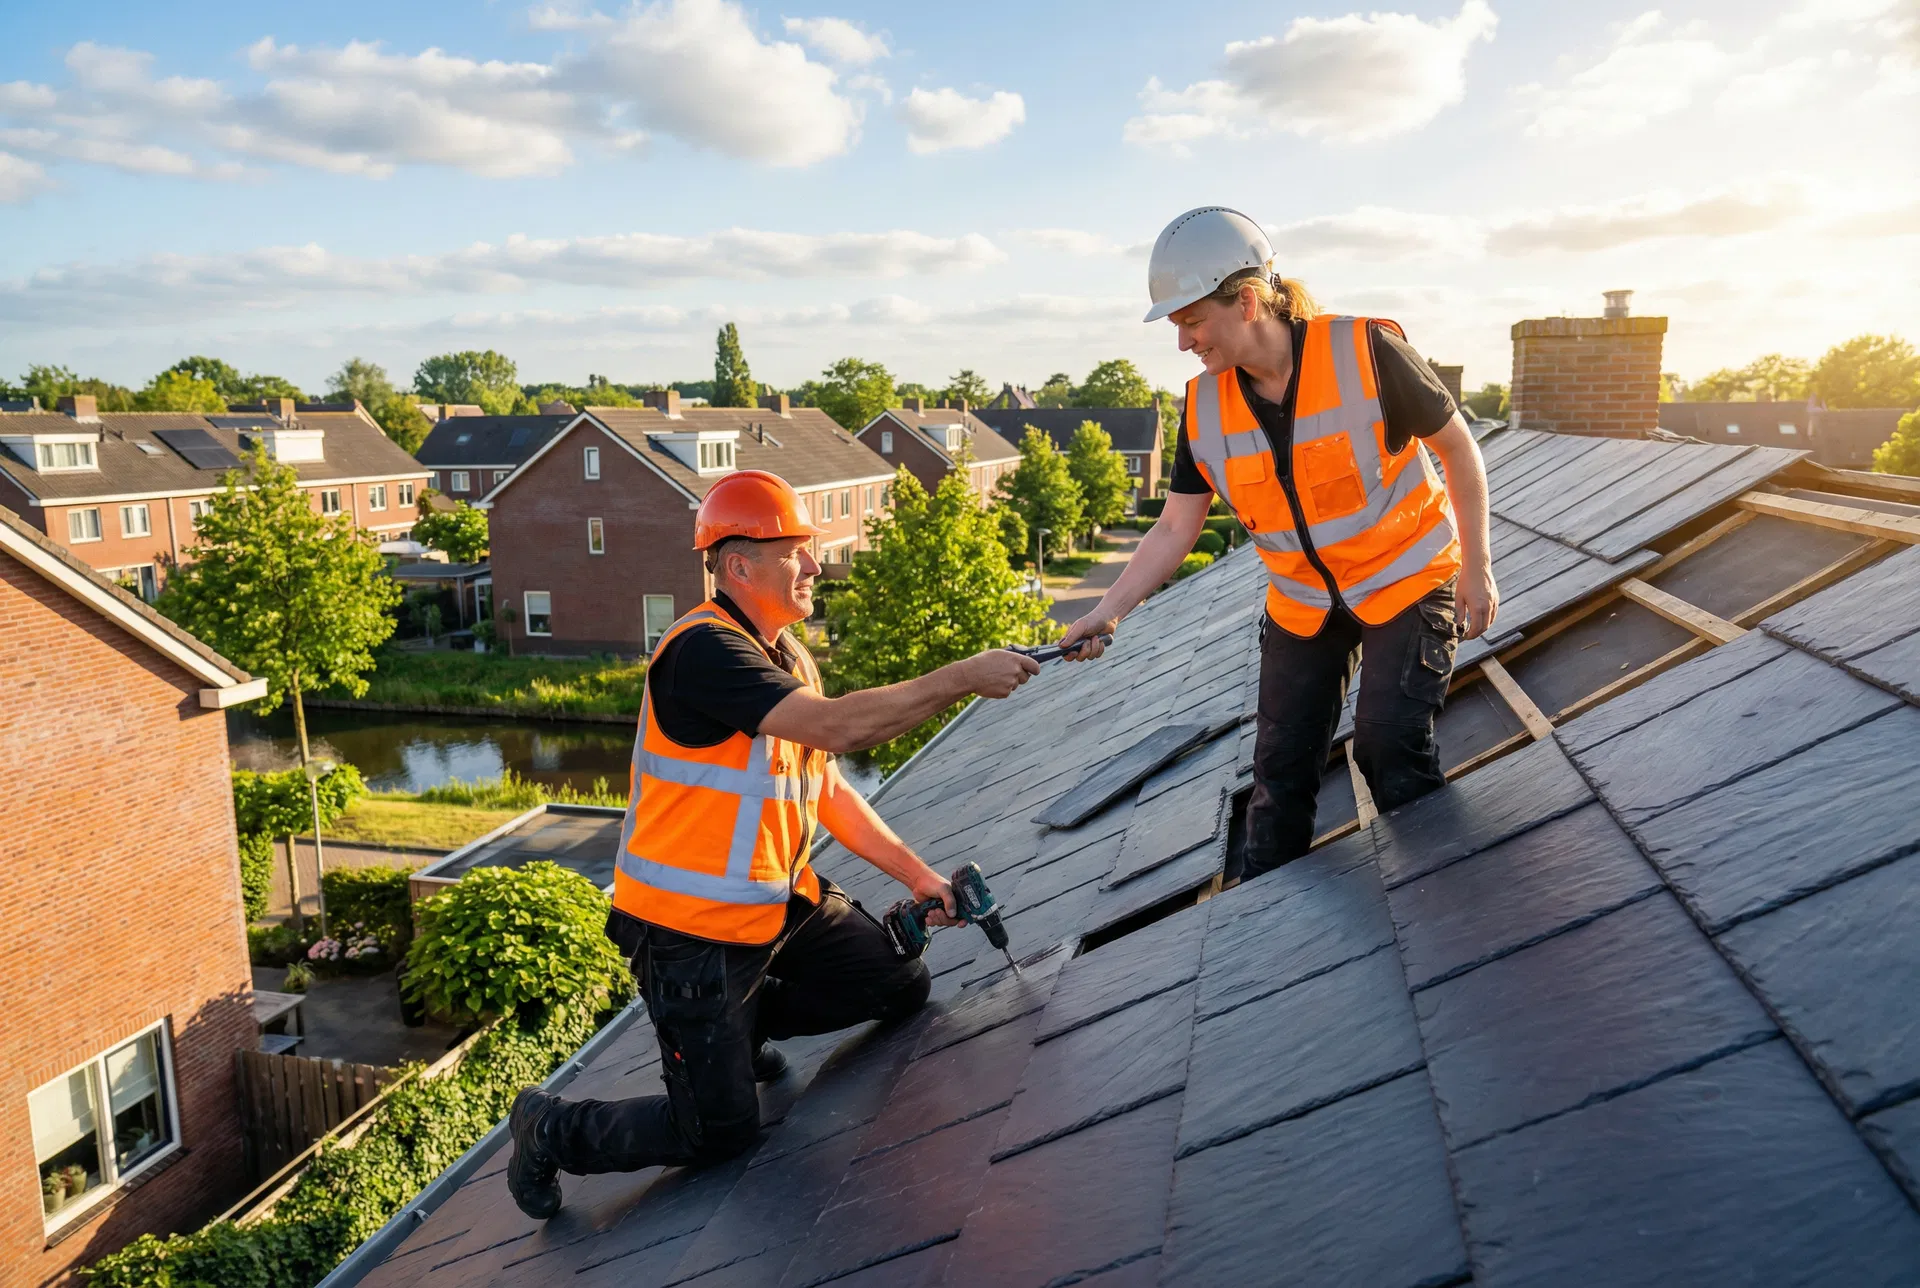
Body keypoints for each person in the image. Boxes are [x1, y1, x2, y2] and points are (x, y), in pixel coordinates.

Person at [506, 469, 1042, 1218]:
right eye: (798, 552)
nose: (817, 566)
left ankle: (739, 1021)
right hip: (687, 933)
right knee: (719, 1131)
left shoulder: (785, 655)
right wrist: (962, 676)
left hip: (774, 908)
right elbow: (841, 728)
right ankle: (550, 1128)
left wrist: (920, 878)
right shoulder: (703, 652)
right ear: (738, 567)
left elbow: (825, 788)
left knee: (899, 983)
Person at [1061, 206, 1500, 878]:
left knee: (1387, 745)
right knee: (1277, 779)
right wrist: (1106, 610)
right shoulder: (1204, 408)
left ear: (1244, 301)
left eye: (1191, 322)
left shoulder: (1364, 351)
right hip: (1304, 609)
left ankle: (1447, 895)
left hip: (1407, 584)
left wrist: (1477, 570)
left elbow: (1458, 451)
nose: (1184, 343)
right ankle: (1268, 932)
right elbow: (1176, 525)